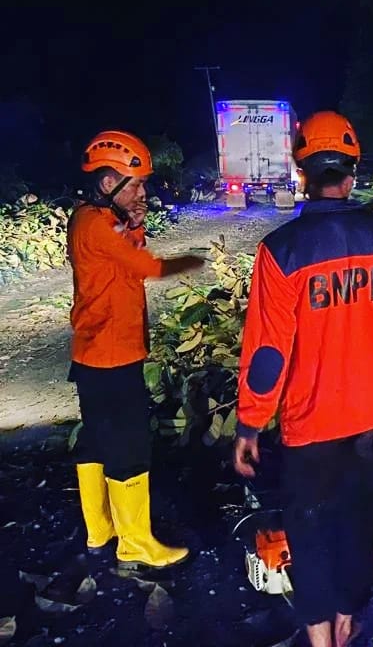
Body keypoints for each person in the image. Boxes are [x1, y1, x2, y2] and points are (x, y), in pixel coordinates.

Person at [233, 112, 373, 647]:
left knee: (309, 531)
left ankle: (319, 638)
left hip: (311, 426)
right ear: (353, 174)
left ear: (301, 170)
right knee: (357, 527)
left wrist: (249, 424)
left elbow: (268, 354)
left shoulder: (281, 251)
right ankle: (346, 623)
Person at [68, 130, 205, 569]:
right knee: (128, 445)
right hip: (113, 354)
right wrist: (194, 262)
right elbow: (148, 267)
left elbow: (128, 255)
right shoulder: (98, 225)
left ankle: (99, 530)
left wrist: (137, 221)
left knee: (95, 438)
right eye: (137, 183)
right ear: (109, 183)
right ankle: (135, 543)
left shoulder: (90, 219)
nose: (143, 191)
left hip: (95, 353)